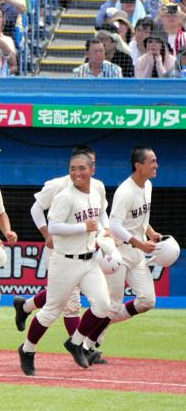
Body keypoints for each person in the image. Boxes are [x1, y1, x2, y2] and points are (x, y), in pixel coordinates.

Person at [18, 152, 111, 376]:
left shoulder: (98, 188)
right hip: (65, 261)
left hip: (89, 259)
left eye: (82, 168)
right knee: (51, 311)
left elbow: (101, 215)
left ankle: (76, 342)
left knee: (103, 306)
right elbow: (54, 227)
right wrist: (83, 227)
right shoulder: (65, 196)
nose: (77, 173)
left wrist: (104, 230)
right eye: (73, 168)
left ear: (92, 169)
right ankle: (27, 350)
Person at [88, 147, 162, 356]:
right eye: (152, 161)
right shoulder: (125, 191)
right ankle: (86, 342)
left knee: (147, 300)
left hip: (136, 254)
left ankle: (97, 329)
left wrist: (151, 232)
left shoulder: (147, 186)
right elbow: (116, 225)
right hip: (118, 252)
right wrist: (140, 242)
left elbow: (140, 218)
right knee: (112, 304)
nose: (156, 165)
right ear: (138, 166)